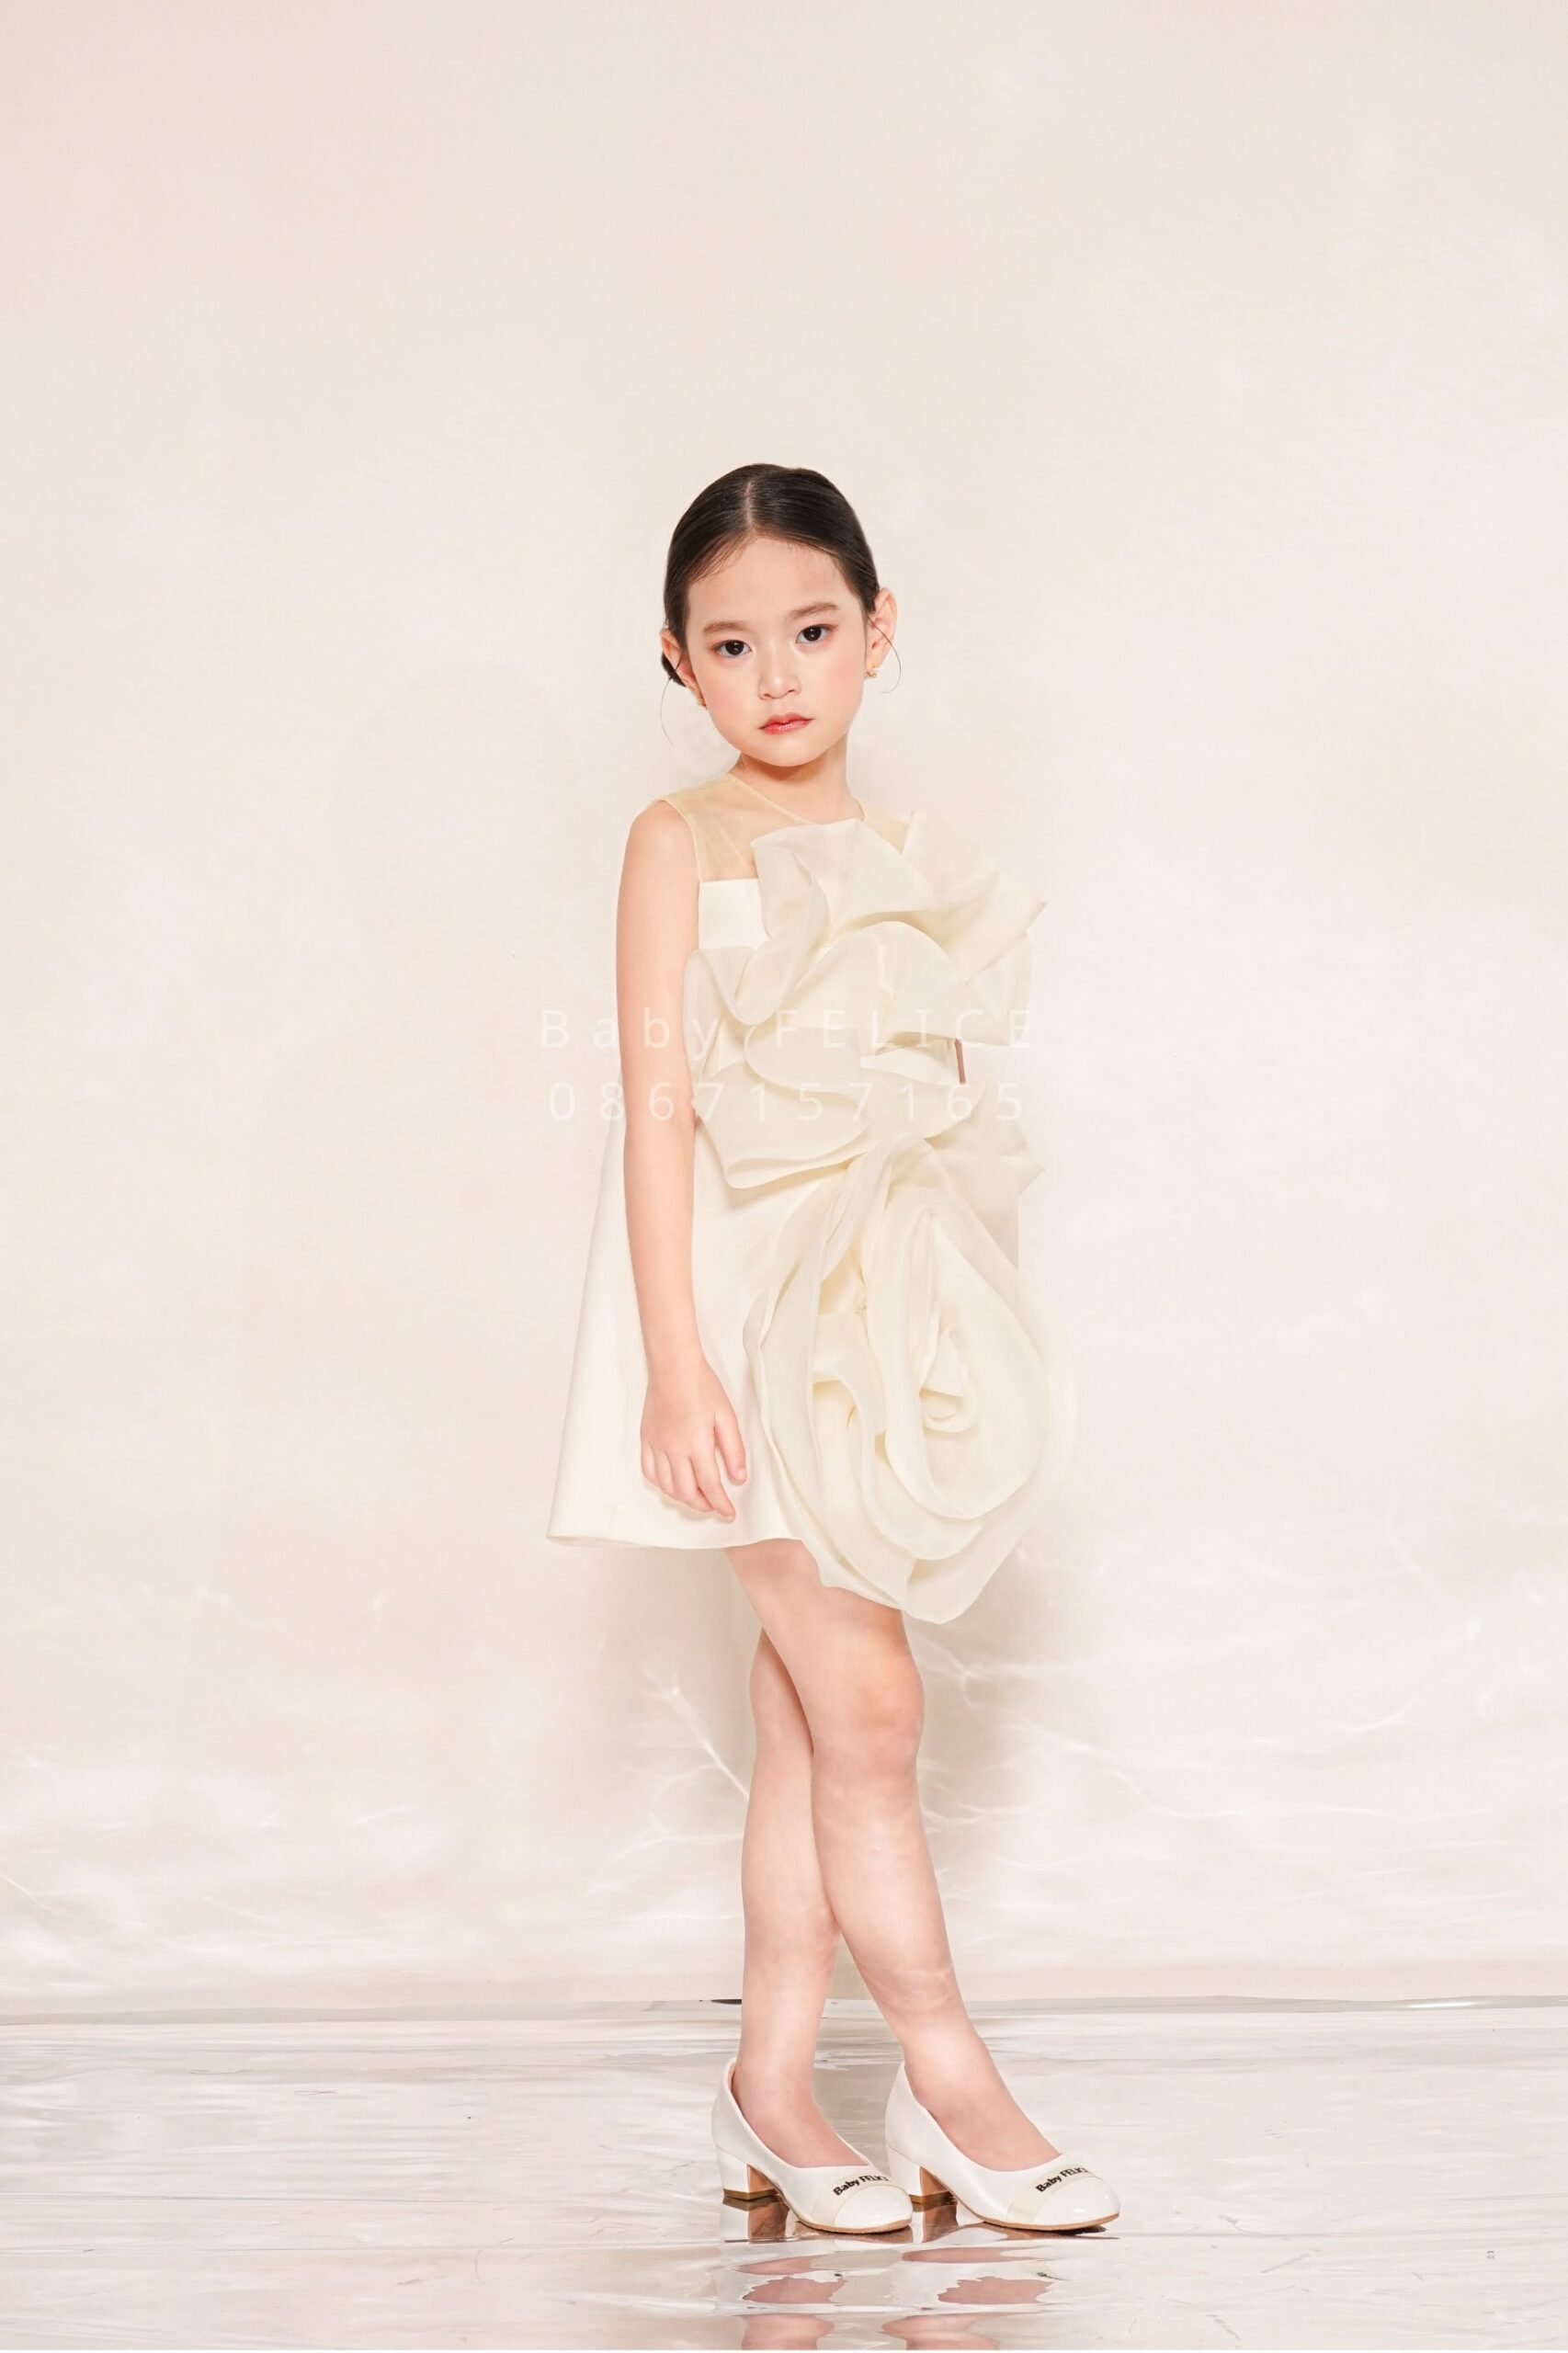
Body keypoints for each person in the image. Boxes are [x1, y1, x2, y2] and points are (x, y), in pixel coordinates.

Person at [547, 462, 1117, 2237]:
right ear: (676, 662)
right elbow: (656, 1110)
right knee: (871, 1696)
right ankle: (946, 2075)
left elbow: (934, 1121)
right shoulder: (677, 840)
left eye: (809, 630)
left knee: (808, 1709)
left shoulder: (906, 864)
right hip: (731, 1315)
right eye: (730, 645)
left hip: (865, 1318)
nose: (776, 674)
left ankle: (772, 2085)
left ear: (877, 631)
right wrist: (673, 1363)